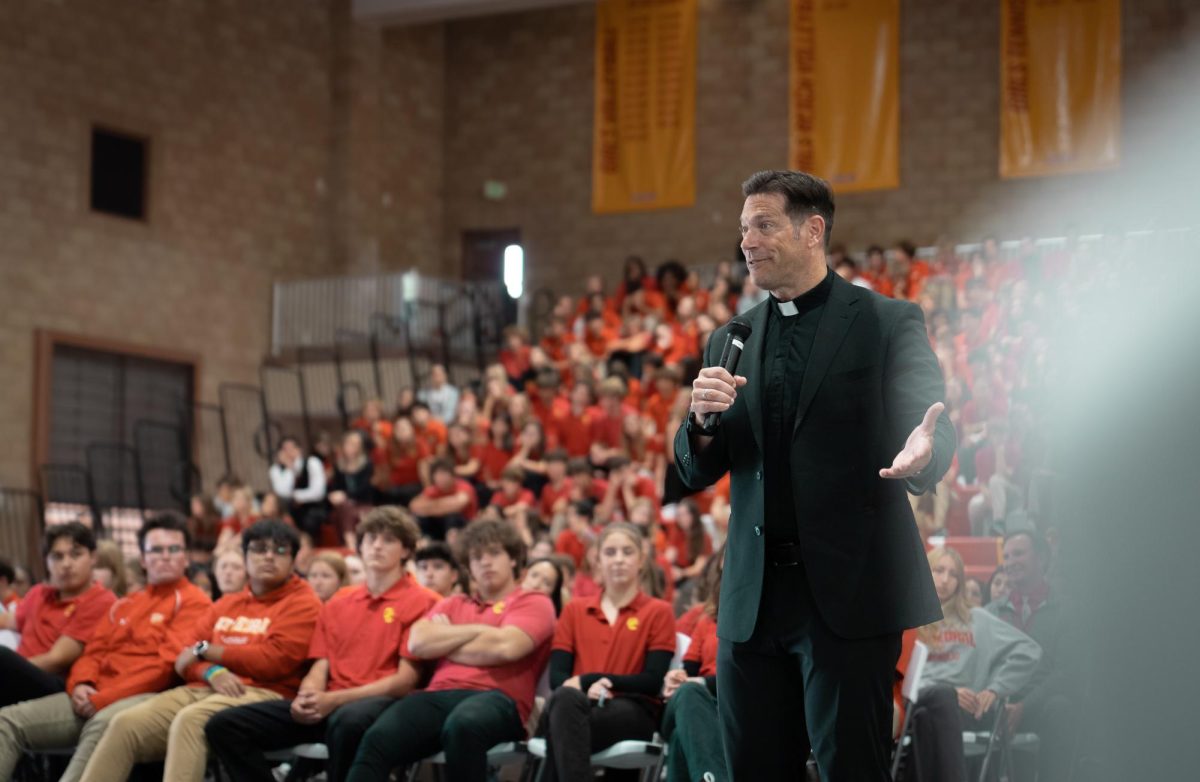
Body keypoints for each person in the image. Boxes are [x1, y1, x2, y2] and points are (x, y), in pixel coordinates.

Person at [674, 170, 955, 780]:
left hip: (848, 594)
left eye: (764, 225)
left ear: (813, 230)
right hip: (753, 600)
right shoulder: (731, 337)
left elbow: (927, 420)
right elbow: (697, 468)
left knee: (851, 767)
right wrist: (699, 420)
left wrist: (922, 452)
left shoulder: (885, 320)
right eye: (744, 228)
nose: (748, 240)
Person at [206, 507, 439, 782]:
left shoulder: (425, 601)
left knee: (348, 722)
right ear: (359, 547)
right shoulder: (340, 600)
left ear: (406, 551)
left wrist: (333, 700)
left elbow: (404, 682)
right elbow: (321, 663)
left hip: (383, 705)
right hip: (331, 703)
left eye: (388, 540)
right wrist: (308, 695)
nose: (377, 545)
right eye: (370, 538)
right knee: (224, 725)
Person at [78, 520, 322, 782]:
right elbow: (183, 658)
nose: (269, 556)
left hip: (262, 692)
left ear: (295, 559)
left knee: (191, 720)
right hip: (204, 686)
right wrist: (211, 670)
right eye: (259, 549)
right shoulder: (227, 603)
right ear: (246, 555)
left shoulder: (304, 603)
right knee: (123, 723)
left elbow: (271, 661)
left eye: (280, 550)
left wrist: (208, 651)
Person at [0, 513, 211, 782]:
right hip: (90, 694)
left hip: (139, 698)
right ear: (143, 559)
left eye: (174, 549)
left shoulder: (194, 602)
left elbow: (163, 668)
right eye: (156, 550)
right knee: (6, 721)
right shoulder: (126, 603)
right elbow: (93, 652)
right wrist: (80, 683)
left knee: (104, 722)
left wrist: (103, 698)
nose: (165, 556)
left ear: (186, 557)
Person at [346, 519, 556, 782]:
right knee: (378, 738)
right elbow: (418, 643)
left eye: (494, 553)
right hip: (439, 694)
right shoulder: (454, 602)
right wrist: (479, 632)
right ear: (468, 567)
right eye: (477, 557)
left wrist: (448, 642)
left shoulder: (534, 600)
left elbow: (508, 647)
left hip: (499, 699)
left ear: (513, 559)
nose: (486, 562)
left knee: (463, 724)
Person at [540, 523, 676, 782]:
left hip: (634, 712)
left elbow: (652, 681)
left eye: (627, 552)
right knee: (566, 703)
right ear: (597, 561)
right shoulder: (574, 610)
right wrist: (584, 687)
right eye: (610, 552)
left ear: (641, 561)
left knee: (560, 721)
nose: (619, 560)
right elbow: (557, 678)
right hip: (579, 706)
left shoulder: (659, 611)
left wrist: (587, 680)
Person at [906, 547, 1041, 782]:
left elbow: (1029, 651)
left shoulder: (977, 619)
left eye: (954, 574)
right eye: (939, 570)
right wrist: (948, 692)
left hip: (964, 710)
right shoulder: (910, 618)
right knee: (937, 701)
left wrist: (995, 688)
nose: (945, 580)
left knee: (925, 719)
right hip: (920, 698)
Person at [986, 530, 1079, 781]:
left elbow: (1066, 673)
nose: (1010, 561)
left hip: (1040, 707)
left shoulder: (1067, 611)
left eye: (1018, 553)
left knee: (1061, 708)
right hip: (998, 706)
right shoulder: (992, 612)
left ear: (1042, 558)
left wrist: (1024, 707)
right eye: (1006, 556)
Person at [0, 522, 116, 707]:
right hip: (15, 674)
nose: (66, 564)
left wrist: (10, 667)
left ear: (93, 557)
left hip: (54, 684)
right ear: (46, 561)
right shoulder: (39, 593)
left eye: (76, 554)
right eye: (57, 557)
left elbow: (57, 660)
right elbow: (8, 621)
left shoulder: (101, 600)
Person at [661, 545, 727, 782]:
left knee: (683, 736)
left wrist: (698, 682)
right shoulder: (707, 619)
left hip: (728, 704)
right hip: (694, 699)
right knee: (689, 693)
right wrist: (676, 677)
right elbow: (688, 667)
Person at [269, 436, 329, 539]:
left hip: (313, 506)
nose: (289, 453)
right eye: (285, 450)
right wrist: (289, 469)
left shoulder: (312, 462)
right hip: (289, 508)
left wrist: (297, 497)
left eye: (292, 449)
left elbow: (318, 492)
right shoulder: (275, 470)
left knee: (310, 518)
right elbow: (282, 492)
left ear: (299, 449)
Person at [410, 458, 479, 543]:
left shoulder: (464, 486)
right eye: (438, 475)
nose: (441, 478)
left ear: (452, 475)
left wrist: (429, 508)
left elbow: (459, 504)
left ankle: (453, 544)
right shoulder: (433, 490)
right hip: (440, 527)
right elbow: (415, 506)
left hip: (465, 526)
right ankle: (424, 542)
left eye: (444, 474)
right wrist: (442, 506)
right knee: (421, 518)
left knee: (452, 516)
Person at [329, 429, 376, 551]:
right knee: (344, 506)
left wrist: (346, 495)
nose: (350, 447)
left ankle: (352, 541)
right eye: (348, 443)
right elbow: (335, 487)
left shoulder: (367, 464)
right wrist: (335, 495)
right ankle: (350, 541)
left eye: (354, 444)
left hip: (363, 502)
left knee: (348, 507)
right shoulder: (339, 465)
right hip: (345, 505)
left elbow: (365, 489)